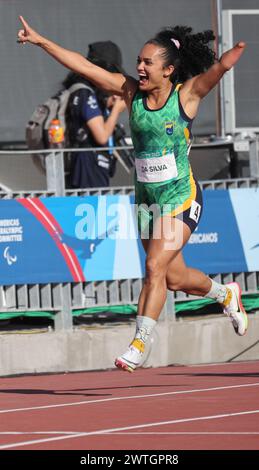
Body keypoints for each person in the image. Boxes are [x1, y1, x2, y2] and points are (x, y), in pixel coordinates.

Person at [17, 17, 248, 372]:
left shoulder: (184, 96)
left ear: (169, 70)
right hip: (147, 202)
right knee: (172, 277)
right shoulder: (129, 93)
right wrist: (40, 41)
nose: (139, 67)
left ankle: (141, 342)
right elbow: (81, 64)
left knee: (154, 267)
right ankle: (225, 293)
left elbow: (212, 75)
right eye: (138, 61)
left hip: (180, 198)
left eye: (147, 63)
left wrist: (228, 59)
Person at [63, 41, 126, 188]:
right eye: (110, 72)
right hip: (86, 166)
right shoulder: (85, 93)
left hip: (94, 166)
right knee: (91, 209)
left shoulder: (89, 94)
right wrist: (116, 110)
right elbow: (102, 136)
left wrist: (109, 103)